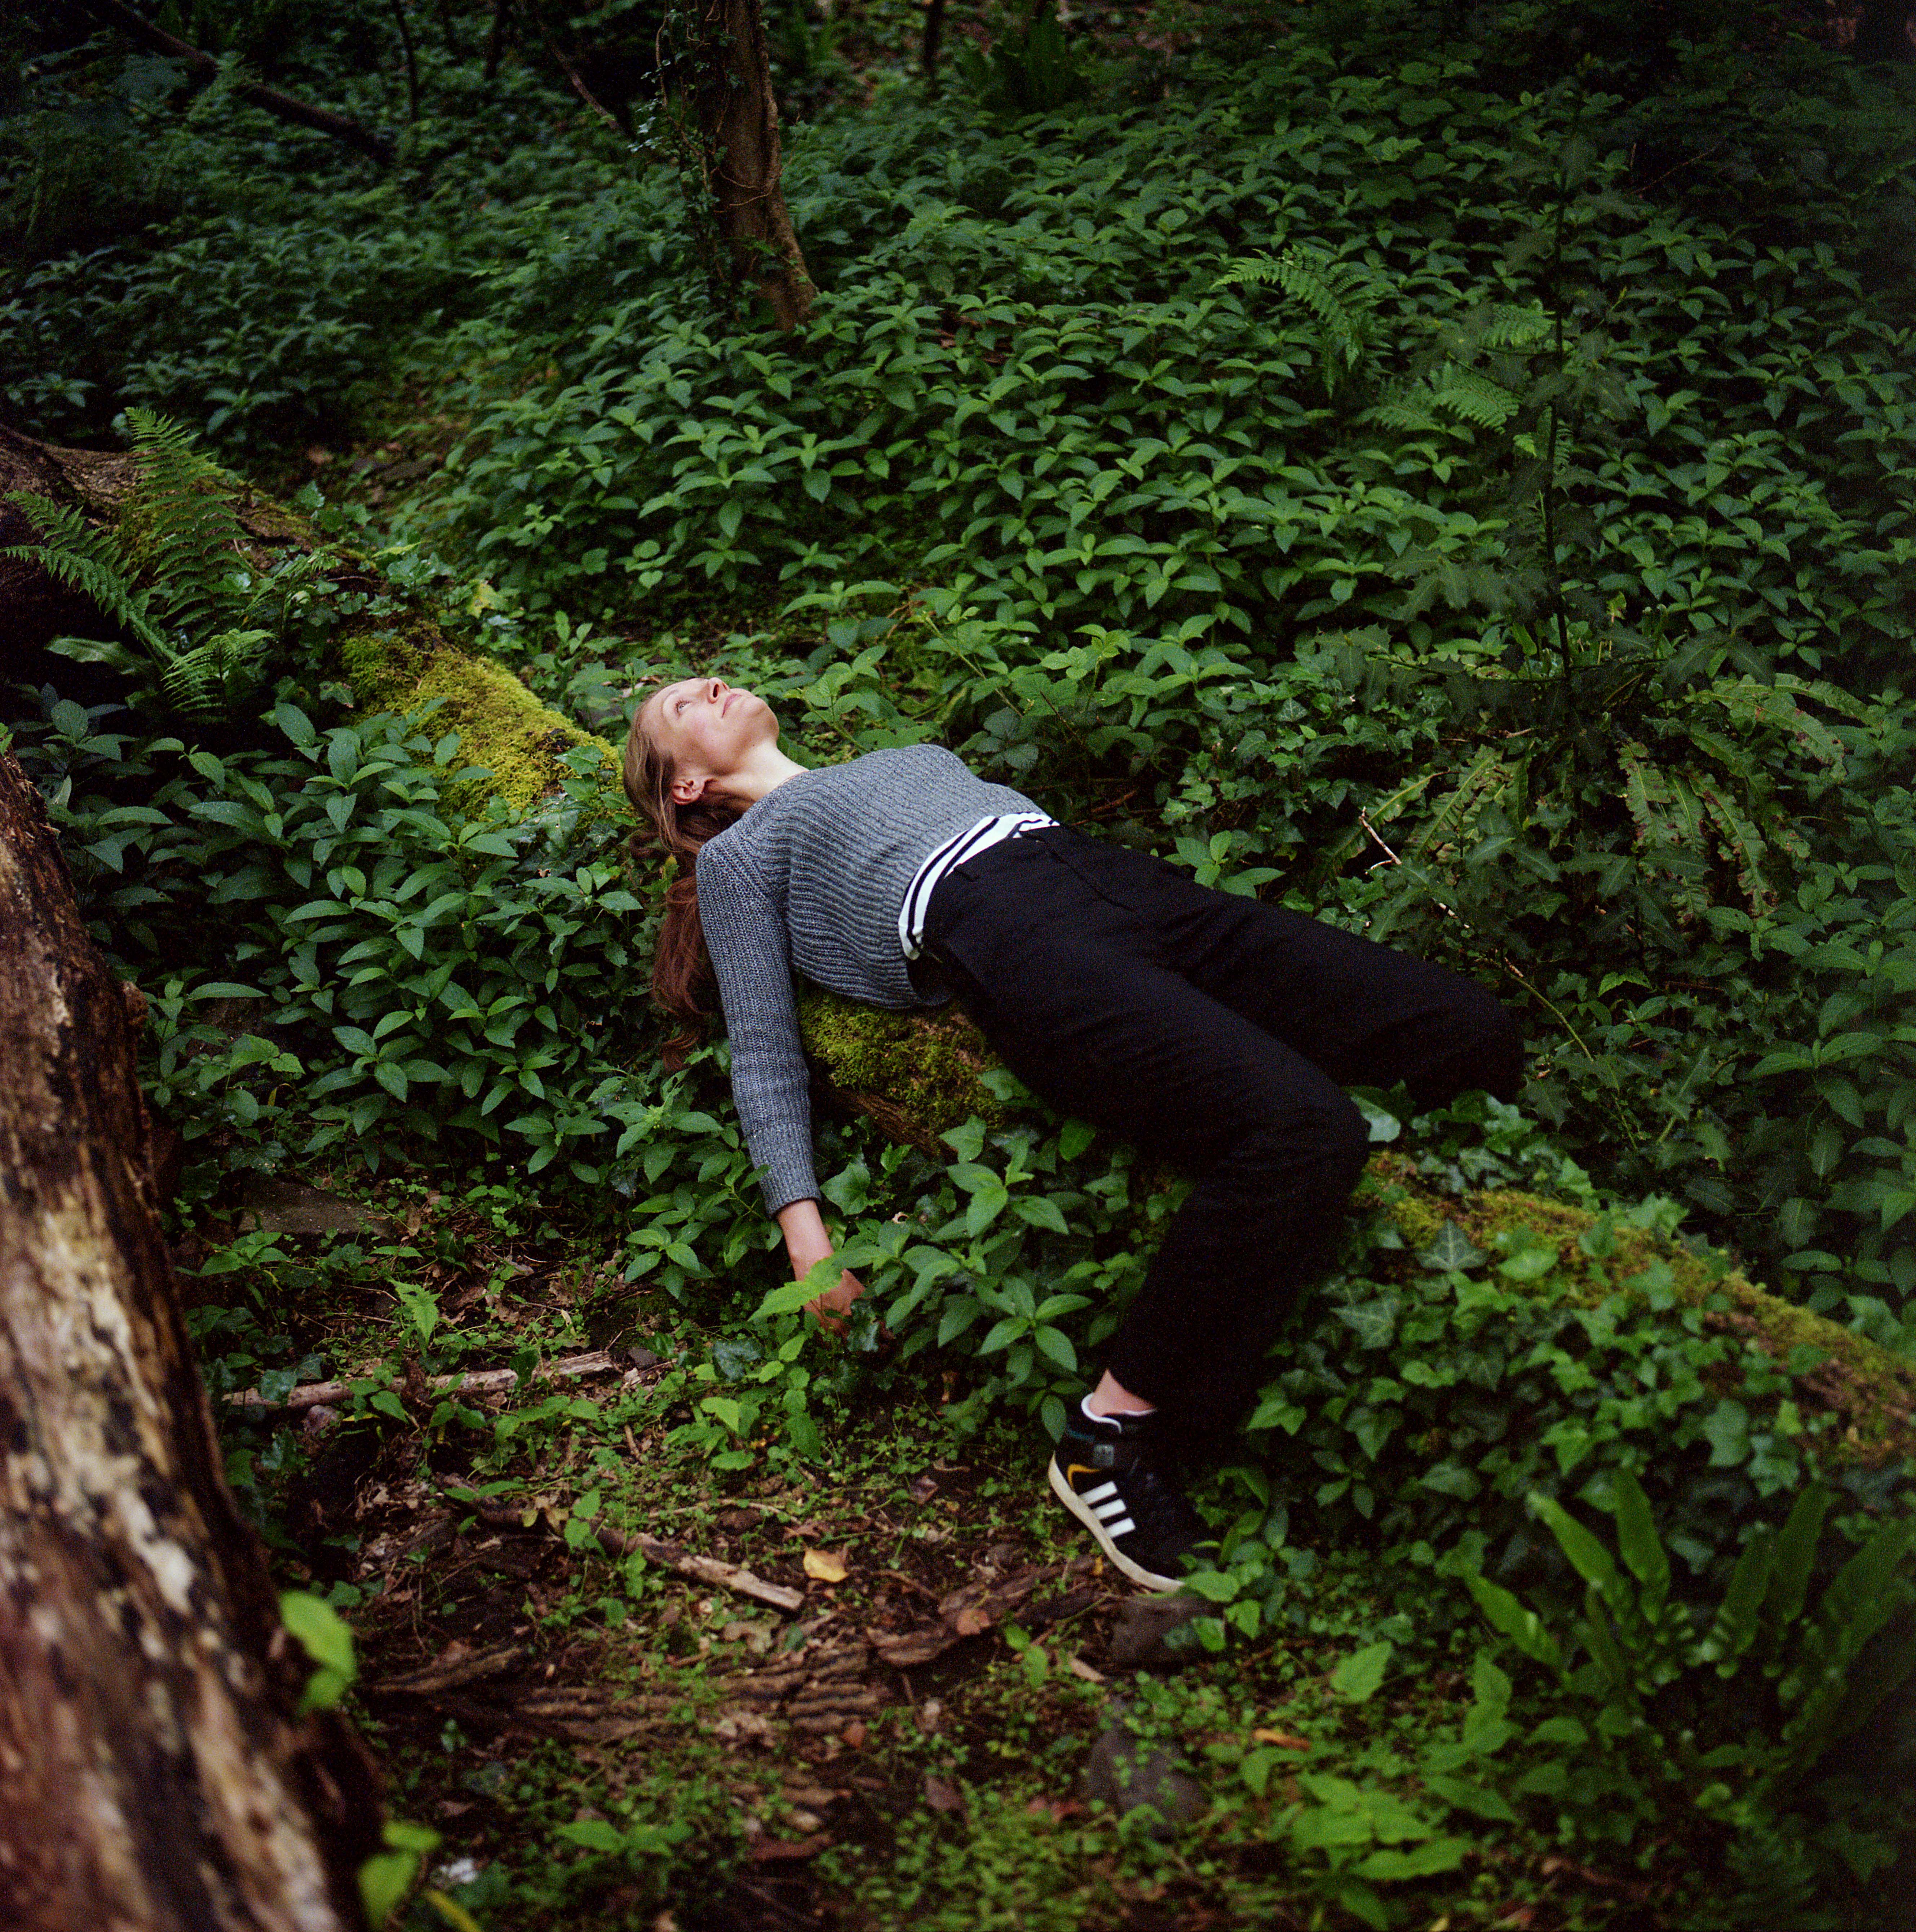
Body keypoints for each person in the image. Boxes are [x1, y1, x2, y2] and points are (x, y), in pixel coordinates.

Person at [623, 676, 1523, 1592]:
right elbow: (764, 1049)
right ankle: (1110, 1435)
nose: (710, 684)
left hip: (1120, 883)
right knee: (1302, 1127)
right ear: (685, 786)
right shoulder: (740, 858)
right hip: (1007, 934)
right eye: (682, 708)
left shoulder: (904, 761)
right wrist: (806, 1240)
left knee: (1470, 1030)